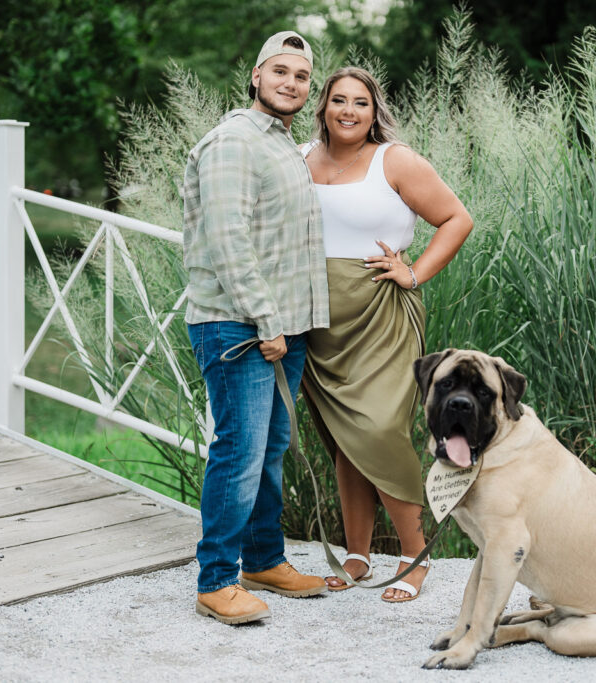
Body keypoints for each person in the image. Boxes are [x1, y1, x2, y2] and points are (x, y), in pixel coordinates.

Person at [300, 67, 473, 602]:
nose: (349, 111)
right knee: (345, 439)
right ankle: (356, 556)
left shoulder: (393, 159)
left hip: (382, 318)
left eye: (361, 103)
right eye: (338, 101)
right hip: (319, 322)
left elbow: (456, 219)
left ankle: (414, 553)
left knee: (379, 430)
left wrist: (415, 272)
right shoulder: (301, 157)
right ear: (323, 106)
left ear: (375, 112)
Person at [182, 30, 330, 625]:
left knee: (269, 450)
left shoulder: (281, 146)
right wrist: (266, 320)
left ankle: (264, 559)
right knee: (240, 450)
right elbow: (228, 241)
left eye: (301, 76)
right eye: (280, 72)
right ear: (255, 76)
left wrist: (291, 325)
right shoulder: (234, 143)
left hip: (282, 327)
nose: (291, 83)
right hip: (238, 325)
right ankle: (215, 581)